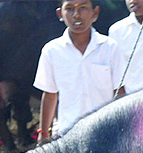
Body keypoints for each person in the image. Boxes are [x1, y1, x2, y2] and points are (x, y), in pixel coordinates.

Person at [35, 0, 126, 143]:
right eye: (69, 9)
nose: (76, 15)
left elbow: (119, 92)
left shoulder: (110, 47)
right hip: (67, 133)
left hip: (104, 131)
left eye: (83, 8)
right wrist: (43, 134)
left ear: (95, 13)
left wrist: (122, 128)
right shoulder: (51, 51)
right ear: (60, 14)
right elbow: (50, 94)